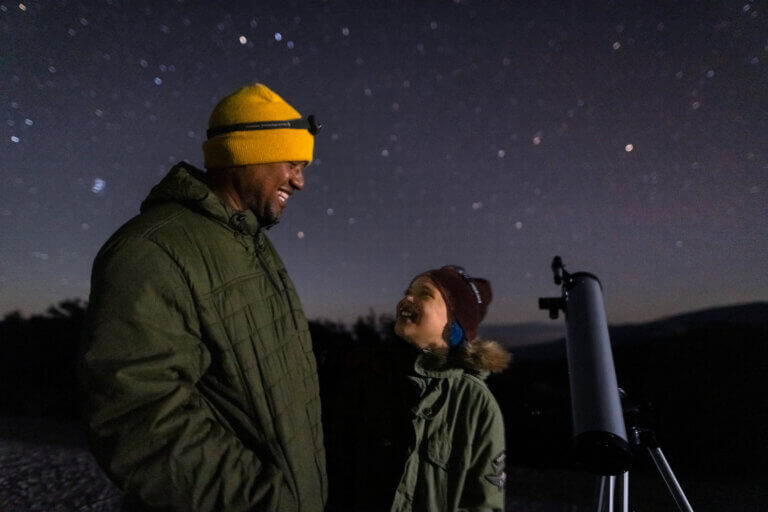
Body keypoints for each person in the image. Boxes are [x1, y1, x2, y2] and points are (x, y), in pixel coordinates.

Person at [78, 84, 326, 512]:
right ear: (244, 153)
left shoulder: (251, 245)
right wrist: (271, 501)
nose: (300, 181)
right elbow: (138, 420)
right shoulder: (153, 250)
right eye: (291, 162)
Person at [329, 265, 510, 511]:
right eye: (407, 291)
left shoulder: (476, 403)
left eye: (424, 294)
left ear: (454, 325)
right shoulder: (371, 382)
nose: (406, 299)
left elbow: (484, 503)